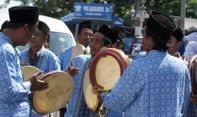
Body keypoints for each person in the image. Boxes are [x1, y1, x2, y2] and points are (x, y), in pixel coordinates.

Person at [100, 11, 190, 117]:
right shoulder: (182, 66)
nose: (142, 39)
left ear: (150, 39)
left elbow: (115, 103)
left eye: (144, 34)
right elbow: (185, 102)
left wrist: (102, 94)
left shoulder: (139, 66)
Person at [64, 25, 122, 117]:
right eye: (92, 40)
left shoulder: (114, 72)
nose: (91, 44)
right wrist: (67, 75)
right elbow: (61, 85)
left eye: (97, 41)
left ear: (107, 46)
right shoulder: (78, 61)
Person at [0, 6, 48, 117]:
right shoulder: (5, 50)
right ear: (25, 28)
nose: (32, 37)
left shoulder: (8, 47)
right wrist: (31, 84)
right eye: (33, 32)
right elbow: (8, 92)